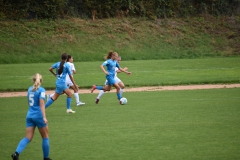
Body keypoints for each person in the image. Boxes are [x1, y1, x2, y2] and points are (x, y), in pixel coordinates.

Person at [11, 73, 51, 160]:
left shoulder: (29, 89)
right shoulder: (42, 90)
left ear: (33, 80)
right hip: (39, 116)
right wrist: (44, 117)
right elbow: (41, 103)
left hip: (29, 115)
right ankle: (46, 158)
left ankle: (16, 153)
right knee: (45, 137)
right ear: (41, 81)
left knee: (28, 137)